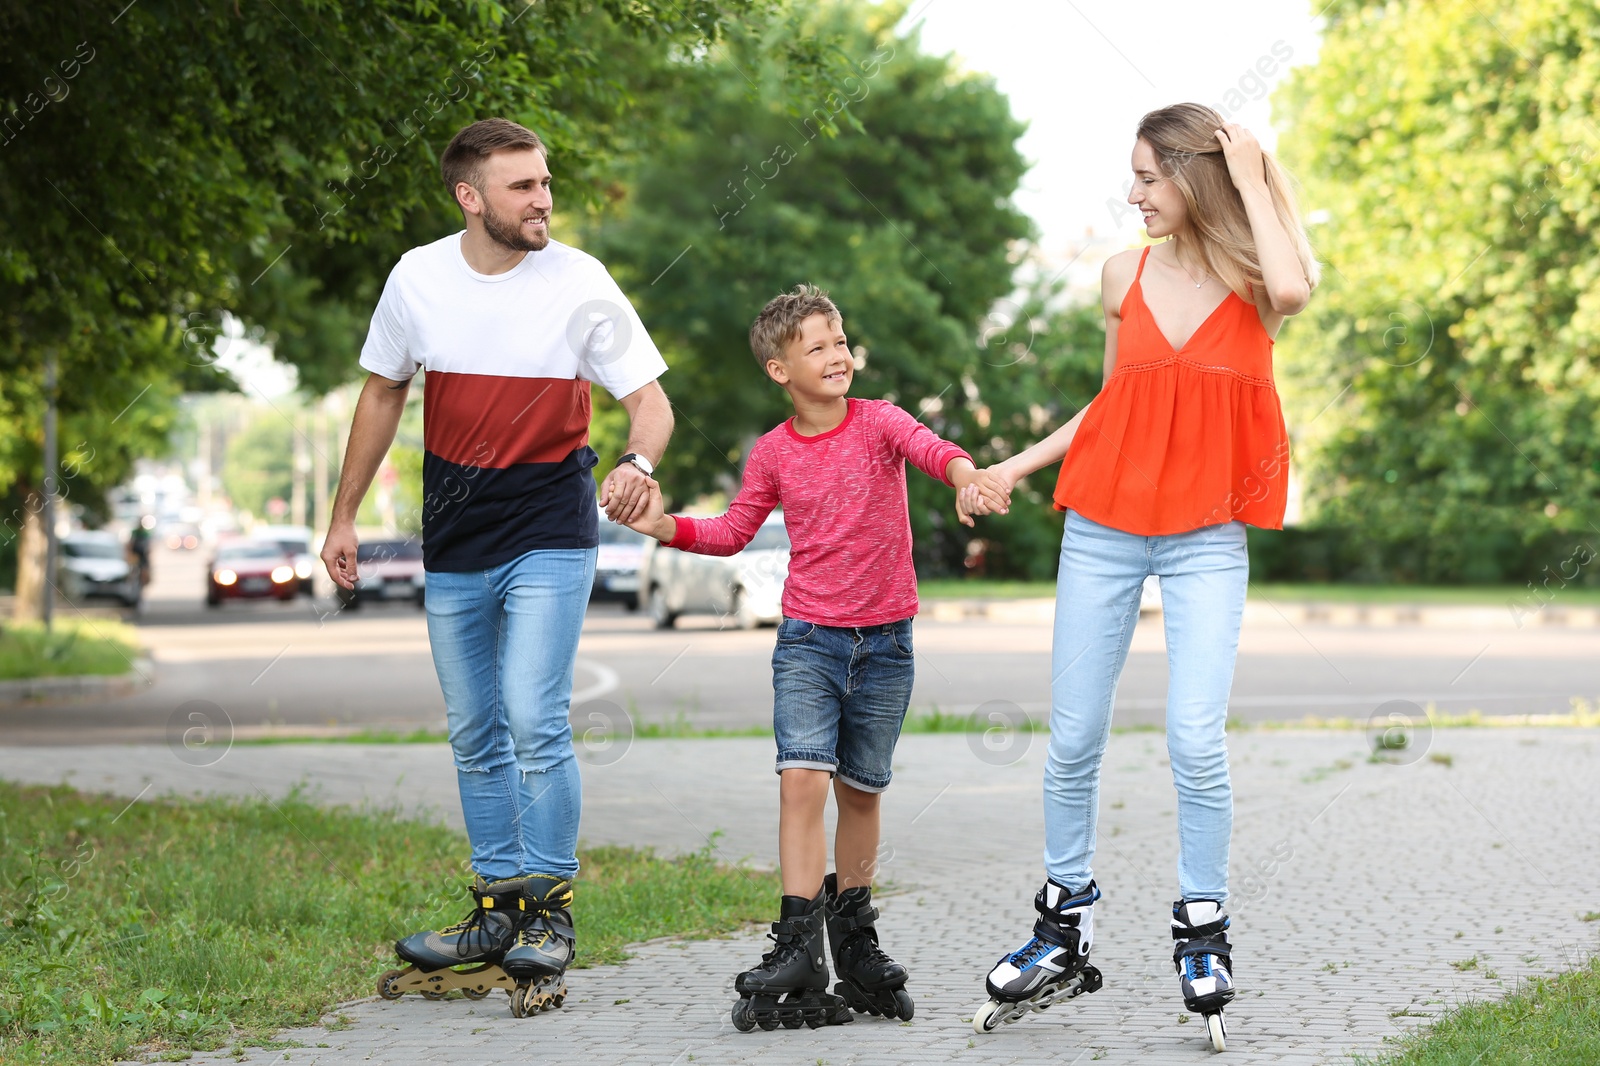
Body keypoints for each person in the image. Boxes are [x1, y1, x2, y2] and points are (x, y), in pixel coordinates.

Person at [963, 104, 1317, 1051]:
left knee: (1195, 741)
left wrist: (1247, 171)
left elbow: (1293, 287)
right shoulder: (1124, 274)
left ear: (1194, 180)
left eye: (1148, 178)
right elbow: (1112, 403)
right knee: (1073, 736)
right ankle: (1062, 923)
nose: (1132, 195)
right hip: (1104, 528)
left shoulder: (1253, 278)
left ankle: (1204, 930)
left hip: (1205, 537)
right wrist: (1011, 468)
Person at [320, 117, 673, 1018]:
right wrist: (345, 514)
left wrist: (637, 463)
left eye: (546, 182)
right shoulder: (417, 277)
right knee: (475, 726)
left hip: (551, 523)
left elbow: (649, 402)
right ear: (469, 197)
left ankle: (548, 913)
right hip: (457, 535)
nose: (543, 199)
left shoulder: (581, 281)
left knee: (532, 716)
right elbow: (384, 389)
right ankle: (495, 908)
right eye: (521, 187)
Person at [623, 284, 1010, 1030]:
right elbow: (734, 530)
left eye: (840, 341)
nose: (838, 356)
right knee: (801, 781)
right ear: (779, 369)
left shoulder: (880, 422)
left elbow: (937, 452)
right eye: (817, 347)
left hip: (887, 644)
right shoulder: (772, 452)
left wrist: (968, 479)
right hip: (809, 641)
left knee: (862, 792)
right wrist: (663, 524)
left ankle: (855, 942)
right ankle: (797, 943)